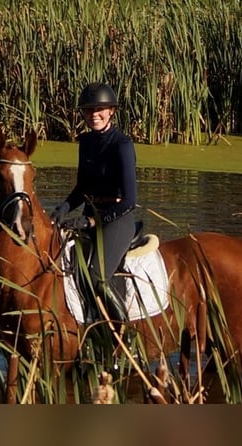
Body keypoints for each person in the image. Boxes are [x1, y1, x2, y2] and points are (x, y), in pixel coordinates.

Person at [50, 82, 138, 324]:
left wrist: (90, 220)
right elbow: (82, 188)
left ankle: (123, 333)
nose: (94, 115)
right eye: (88, 110)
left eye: (99, 109)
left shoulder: (122, 145)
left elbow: (130, 201)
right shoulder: (86, 143)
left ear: (111, 111)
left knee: (97, 277)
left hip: (117, 220)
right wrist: (64, 208)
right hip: (89, 215)